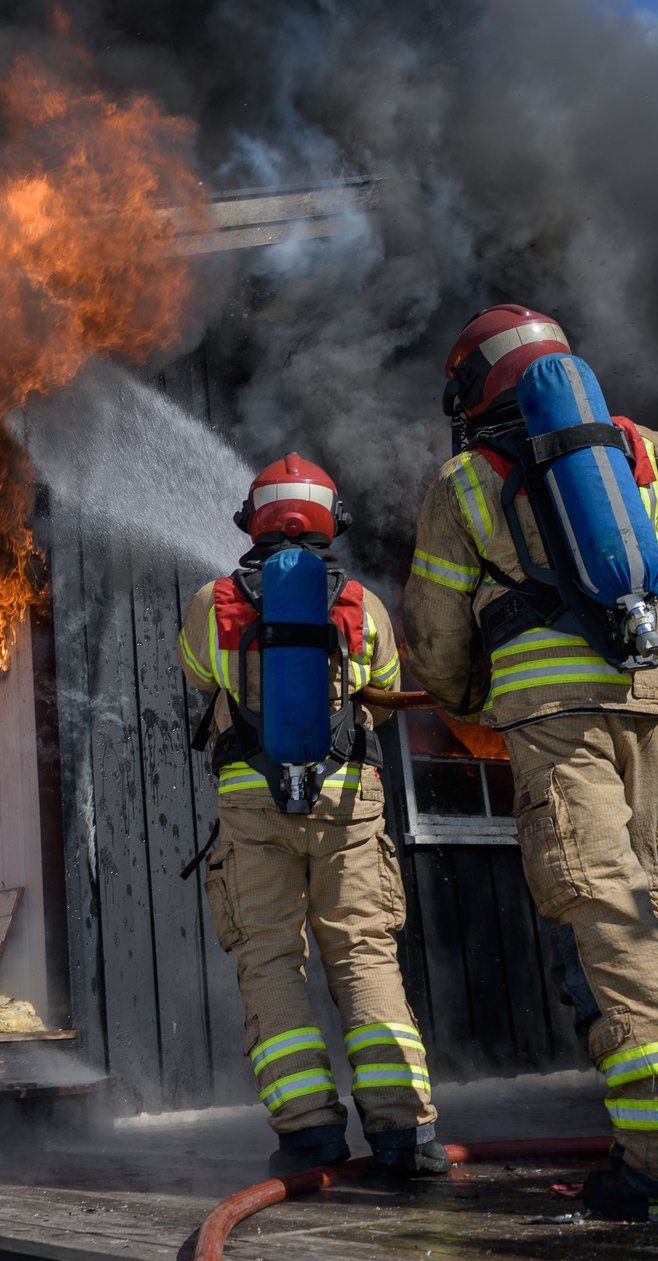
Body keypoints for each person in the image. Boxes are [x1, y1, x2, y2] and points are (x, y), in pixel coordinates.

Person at [402, 305, 658, 1221]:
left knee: (604, 914)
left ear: (473, 391)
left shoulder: (465, 483)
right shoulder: (644, 450)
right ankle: (653, 1137)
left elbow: (435, 634)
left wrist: (470, 705)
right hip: (656, 700)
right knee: (629, 908)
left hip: (556, 721)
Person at [177, 452, 447, 1179]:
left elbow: (199, 677)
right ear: (333, 522)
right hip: (348, 804)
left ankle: (309, 1135)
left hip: (252, 804)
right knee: (364, 956)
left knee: (270, 959)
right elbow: (382, 695)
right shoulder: (362, 603)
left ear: (252, 519)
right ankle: (404, 1133)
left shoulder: (212, 602)